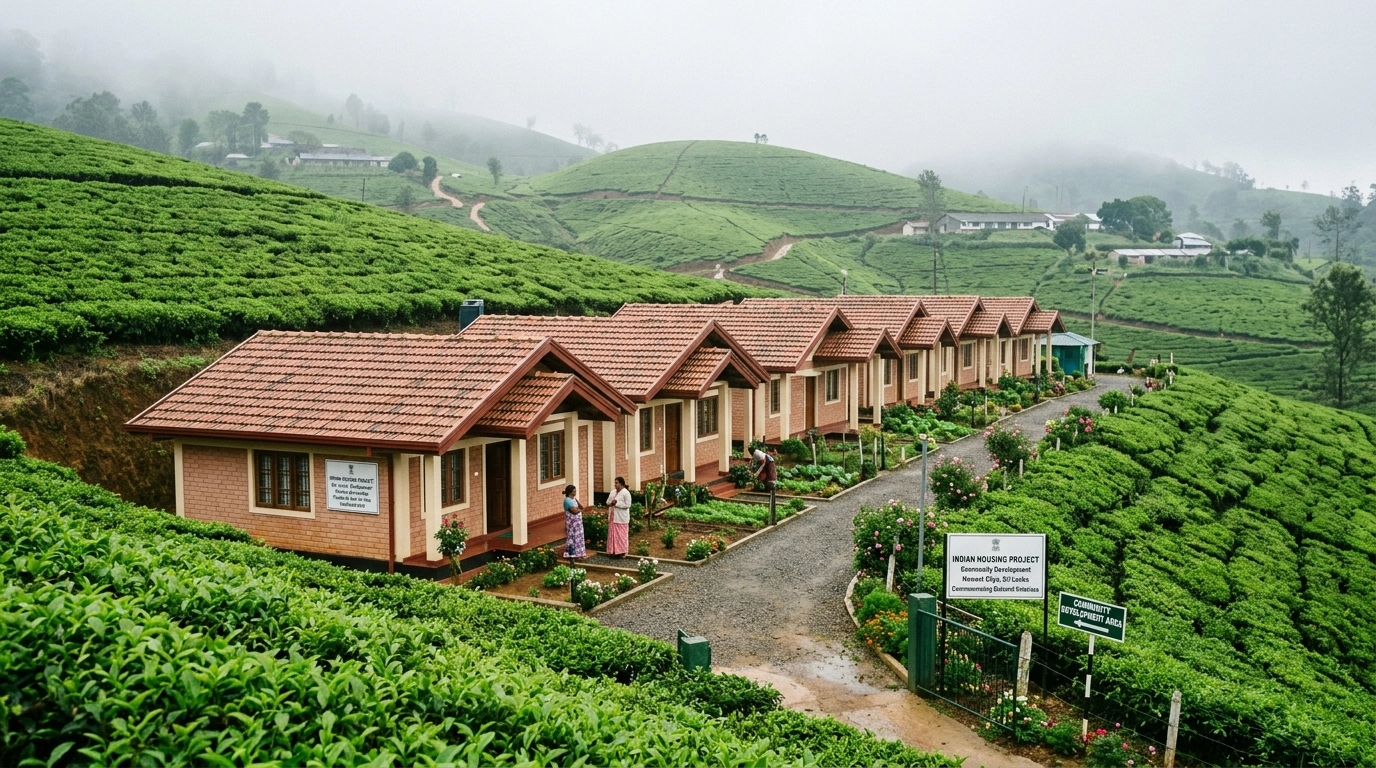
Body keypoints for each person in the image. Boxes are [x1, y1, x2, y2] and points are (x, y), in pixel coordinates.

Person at [606, 476, 632, 557]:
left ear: (621, 484)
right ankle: (613, 551)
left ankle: (622, 552)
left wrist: (616, 503)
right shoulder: (613, 492)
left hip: (621, 518)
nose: (615, 485)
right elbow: (607, 502)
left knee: (621, 536)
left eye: (617, 483)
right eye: (615, 483)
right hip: (612, 517)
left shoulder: (626, 493)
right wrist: (611, 503)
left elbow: (628, 505)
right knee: (613, 535)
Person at [562, 484, 587, 562]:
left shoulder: (574, 499)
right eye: (574, 491)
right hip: (572, 524)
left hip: (578, 523)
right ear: (570, 492)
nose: (575, 492)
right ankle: (572, 554)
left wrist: (579, 508)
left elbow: (581, 507)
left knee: (579, 538)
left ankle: (580, 553)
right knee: (573, 538)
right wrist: (579, 510)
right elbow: (574, 511)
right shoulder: (567, 500)